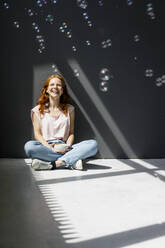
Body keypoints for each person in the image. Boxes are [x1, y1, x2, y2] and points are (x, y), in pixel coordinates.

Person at [24, 74, 98, 170]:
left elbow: (71, 133)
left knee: (93, 145)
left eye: (59, 85)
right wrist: (51, 148)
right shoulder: (37, 110)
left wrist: (67, 147)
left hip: (64, 147)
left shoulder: (70, 109)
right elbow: (37, 135)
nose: (55, 87)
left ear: (62, 90)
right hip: (46, 147)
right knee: (29, 147)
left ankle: (54, 164)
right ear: (46, 89)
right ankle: (70, 161)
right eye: (52, 84)